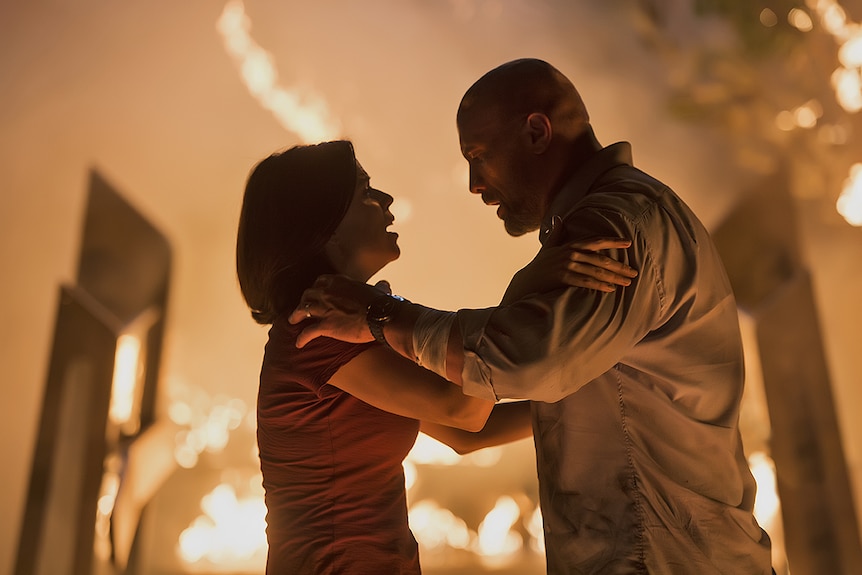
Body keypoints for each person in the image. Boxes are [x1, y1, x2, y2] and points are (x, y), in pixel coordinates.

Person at [290, 59, 774, 574]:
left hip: (660, 559)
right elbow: (497, 398)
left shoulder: (615, 226)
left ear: (537, 132)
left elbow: (514, 366)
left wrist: (378, 314)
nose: (475, 183)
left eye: (478, 155)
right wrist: (525, 290)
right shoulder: (623, 213)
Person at [235, 139, 637, 574]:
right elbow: (462, 409)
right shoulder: (315, 333)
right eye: (366, 191)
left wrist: (596, 401)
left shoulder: (356, 324)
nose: (386, 201)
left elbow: (467, 434)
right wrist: (528, 286)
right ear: (326, 226)